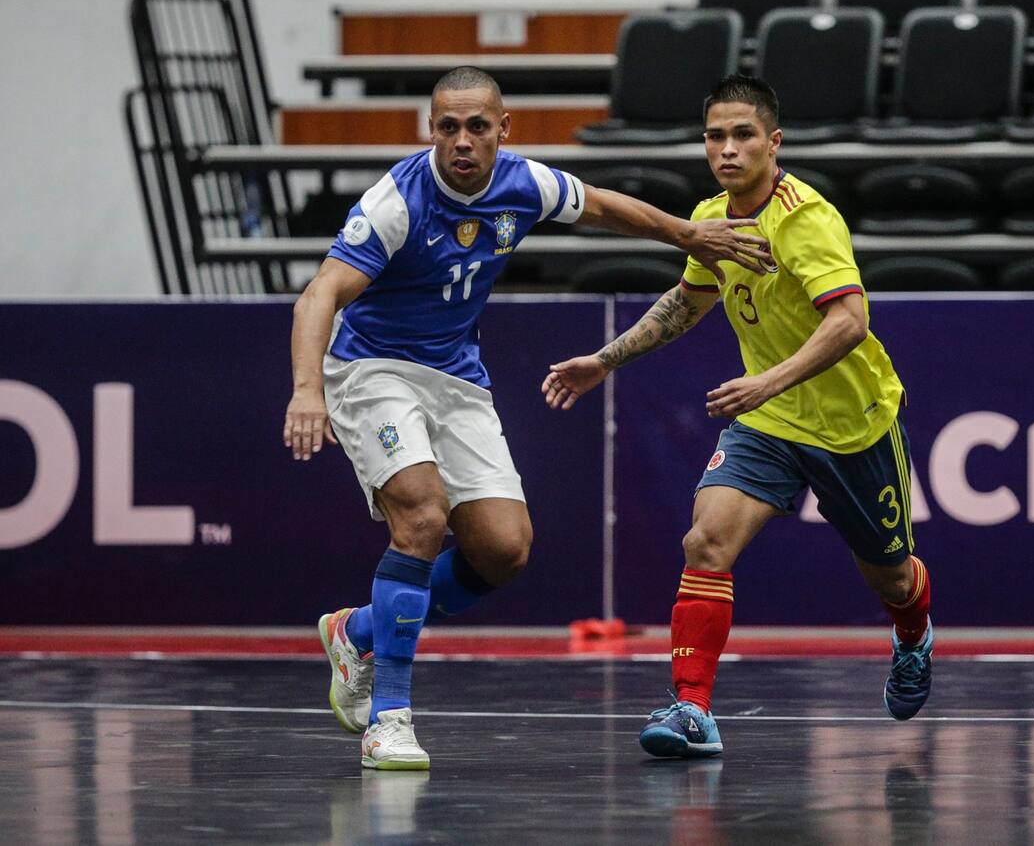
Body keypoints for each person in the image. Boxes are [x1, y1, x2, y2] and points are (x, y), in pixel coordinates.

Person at [283, 66, 771, 771]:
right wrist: (307, 391)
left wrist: (687, 236)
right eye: (447, 126)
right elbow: (319, 294)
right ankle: (388, 716)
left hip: (456, 378)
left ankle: (356, 631)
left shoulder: (523, 183)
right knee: (422, 516)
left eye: (477, 126)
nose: (462, 141)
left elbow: (601, 206)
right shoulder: (397, 201)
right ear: (431, 130)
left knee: (504, 550)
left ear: (502, 130)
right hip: (372, 371)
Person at [542, 74, 933, 759]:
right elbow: (688, 302)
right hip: (770, 424)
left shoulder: (806, 219)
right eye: (715, 136)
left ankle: (912, 636)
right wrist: (604, 361)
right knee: (706, 543)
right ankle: (692, 710)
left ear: (773, 142)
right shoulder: (711, 216)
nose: (728, 149)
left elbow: (849, 321)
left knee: (893, 578)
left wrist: (766, 381)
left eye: (743, 135)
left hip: (852, 424)